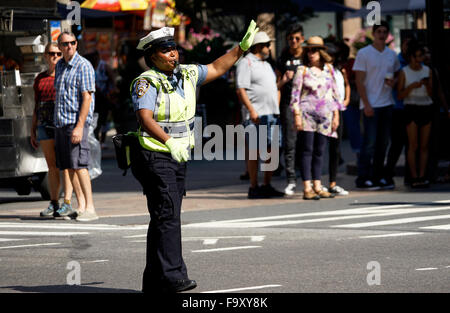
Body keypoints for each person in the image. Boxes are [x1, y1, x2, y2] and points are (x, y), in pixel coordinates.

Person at [129, 22, 259, 293]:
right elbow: (145, 118)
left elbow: (217, 67)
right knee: (168, 214)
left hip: (177, 155)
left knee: (164, 215)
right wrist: (169, 141)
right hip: (154, 153)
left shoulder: (187, 74)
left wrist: (241, 49)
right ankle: (173, 276)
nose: (173, 54)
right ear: (153, 56)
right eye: (166, 50)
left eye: (174, 48)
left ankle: (153, 281)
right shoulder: (146, 82)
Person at [31, 43, 83, 218]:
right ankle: (54, 203)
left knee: (67, 166)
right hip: (44, 125)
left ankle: (67, 202)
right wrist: (33, 129)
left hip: (63, 124)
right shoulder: (40, 78)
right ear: (45, 56)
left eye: (58, 53)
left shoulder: (64, 76)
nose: (54, 56)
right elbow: (36, 106)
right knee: (51, 166)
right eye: (51, 53)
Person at [290, 36, 343, 200]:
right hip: (307, 114)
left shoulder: (329, 69)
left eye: (314, 50)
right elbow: (295, 96)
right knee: (307, 150)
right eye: (308, 50)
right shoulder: (302, 70)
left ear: (321, 52)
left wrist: (336, 115)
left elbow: (335, 94)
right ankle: (307, 187)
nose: (311, 53)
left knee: (320, 151)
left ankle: (318, 185)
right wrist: (297, 116)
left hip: (325, 115)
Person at [54, 32, 99, 222]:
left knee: (80, 165)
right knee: (68, 167)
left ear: (76, 44)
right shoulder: (60, 66)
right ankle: (80, 205)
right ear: (60, 46)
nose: (69, 46)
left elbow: (87, 98)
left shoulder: (83, 66)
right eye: (65, 44)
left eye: (72, 43)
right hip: (61, 122)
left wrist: (80, 126)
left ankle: (90, 207)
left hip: (76, 122)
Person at [236, 31, 285, 199]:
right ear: (258, 46)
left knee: (273, 151)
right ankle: (253, 186)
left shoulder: (266, 64)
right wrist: (251, 110)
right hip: (256, 115)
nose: (269, 47)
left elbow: (273, 87)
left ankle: (266, 184)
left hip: (271, 114)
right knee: (255, 152)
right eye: (267, 45)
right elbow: (240, 89)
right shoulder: (246, 62)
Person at [353, 21, 401, 190]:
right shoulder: (364, 53)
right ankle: (363, 177)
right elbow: (359, 81)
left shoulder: (391, 54)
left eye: (384, 32)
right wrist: (366, 104)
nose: (381, 34)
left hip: (387, 103)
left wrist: (393, 82)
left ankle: (378, 176)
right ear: (373, 33)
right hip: (370, 103)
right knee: (369, 143)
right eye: (379, 31)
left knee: (383, 143)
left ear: (388, 34)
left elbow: (396, 74)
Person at [397, 43, 433, 188]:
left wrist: (427, 85)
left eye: (422, 56)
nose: (420, 59)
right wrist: (412, 86)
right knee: (413, 144)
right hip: (411, 107)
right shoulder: (404, 72)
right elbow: (399, 95)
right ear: (411, 57)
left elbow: (432, 94)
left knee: (424, 145)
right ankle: (413, 176)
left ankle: (422, 175)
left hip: (426, 106)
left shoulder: (427, 70)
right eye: (418, 56)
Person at [276, 23, 305, 196]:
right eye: (290, 39)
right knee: (290, 142)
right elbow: (276, 85)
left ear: (302, 39)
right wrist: (285, 80)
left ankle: (308, 177)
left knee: (306, 142)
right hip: (288, 103)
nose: (294, 41)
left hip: (307, 104)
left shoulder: (308, 56)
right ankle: (291, 179)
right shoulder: (283, 58)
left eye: (297, 38)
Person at [384, 36, 412, 187]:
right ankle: (388, 173)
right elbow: (390, 81)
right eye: (407, 45)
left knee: (411, 143)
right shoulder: (397, 61)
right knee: (397, 143)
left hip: (413, 106)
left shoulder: (418, 62)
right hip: (398, 107)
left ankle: (411, 175)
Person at [326, 42, 351, 196]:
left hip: (338, 110)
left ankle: (332, 182)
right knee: (320, 148)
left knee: (335, 148)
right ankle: (315, 181)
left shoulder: (339, 70)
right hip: (323, 111)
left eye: (332, 56)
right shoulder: (321, 71)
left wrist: (346, 99)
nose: (330, 58)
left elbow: (347, 85)